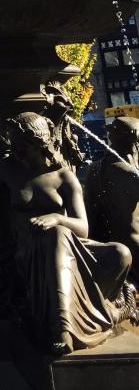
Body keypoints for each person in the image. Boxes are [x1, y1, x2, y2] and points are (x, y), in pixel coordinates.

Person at [0, 113, 132, 355]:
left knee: (120, 253)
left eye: (22, 146)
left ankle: (101, 308)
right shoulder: (7, 169)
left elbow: (83, 228)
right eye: (15, 144)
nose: (17, 151)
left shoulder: (64, 176)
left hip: (70, 246)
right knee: (57, 235)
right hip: (28, 249)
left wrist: (57, 218)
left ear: (39, 143)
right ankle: (62, 327)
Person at [84, 116, 139, 285]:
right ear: (135, 139)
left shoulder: (94, 169)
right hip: (134, 247)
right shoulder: (132, 174)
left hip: (103, 245)